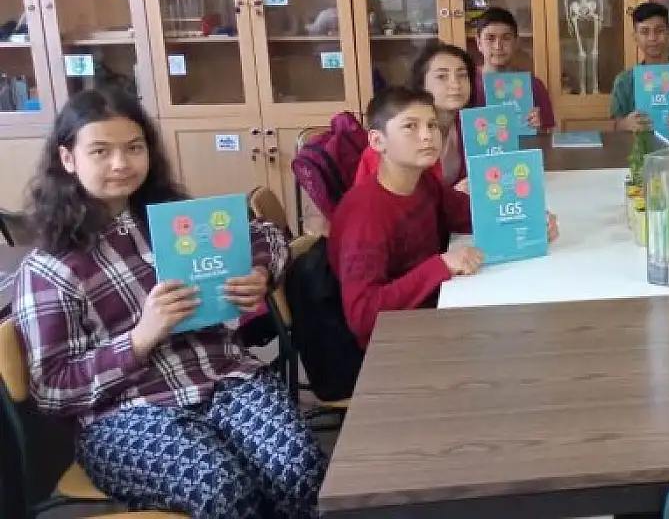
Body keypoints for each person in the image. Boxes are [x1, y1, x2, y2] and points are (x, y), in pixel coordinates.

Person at [12, 88, 324, 518]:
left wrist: (259, 273)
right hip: (124, 414)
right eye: (100, 151)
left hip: (224, 379)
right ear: (68, 159)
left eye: (134, 148)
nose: (121, 163)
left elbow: (269, 236)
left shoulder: (177, 221)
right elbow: (52, 388)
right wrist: (139, 339)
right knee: (223, 489)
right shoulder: (50, 267)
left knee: (300, 469)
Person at [330, 87, 559, 348]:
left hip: (437, 302)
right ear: (377, 141)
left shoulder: (423, 181)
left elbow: (468, 214)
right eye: (410, 126)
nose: (427, 135)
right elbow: (362, 315)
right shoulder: (365, 216)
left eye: (432, 125)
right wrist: (441, 266)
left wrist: (531, 219)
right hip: (393, 341)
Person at [355, 41, 478, 191]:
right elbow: (385, 200)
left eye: (462, 75)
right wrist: (454, 194)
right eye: (442, 76)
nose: (456, 84)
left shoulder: (470, 125)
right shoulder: (394, 137)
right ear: (421, 84)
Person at [610, 2, 669, 132]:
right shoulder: (624, 80)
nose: (652, 38)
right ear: (635, 37)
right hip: (638, 143)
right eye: (644, 32)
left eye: (659, 31)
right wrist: (626, 124)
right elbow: (616, 125)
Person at [472, 7, 556, 134]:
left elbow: (548, 133)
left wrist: (540, 126)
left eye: (506, 38)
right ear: (479, 43)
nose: (498, 46)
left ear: (516, 42)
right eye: (490, 38)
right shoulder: (467, 83)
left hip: (524, 146)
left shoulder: (533, 85)